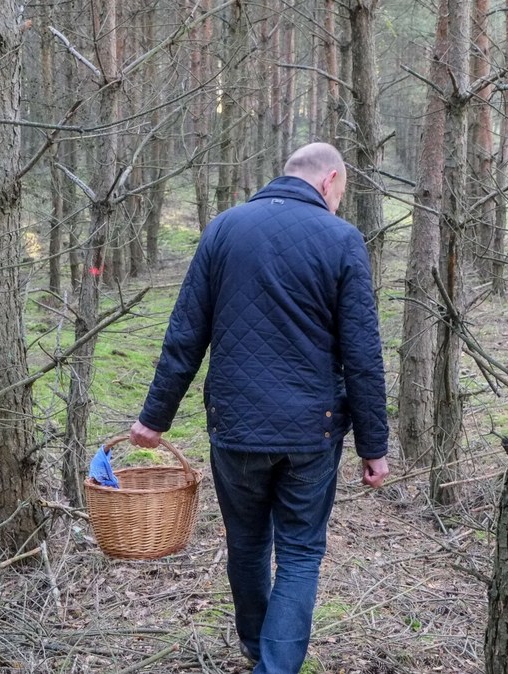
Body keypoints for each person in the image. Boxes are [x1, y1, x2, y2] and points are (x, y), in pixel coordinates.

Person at [130, 142, 390, 674]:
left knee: (247, 544)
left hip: (236, 428)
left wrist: (154, 419)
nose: (338, 202)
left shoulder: (225, 228)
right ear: (329, 180)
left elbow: (185, 334)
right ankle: (275, 665)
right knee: (299, 554)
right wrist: (374, 447)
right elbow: (363, 354)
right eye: (339, 192)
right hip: (310, 436)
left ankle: (256, 647)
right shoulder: (342, 239)